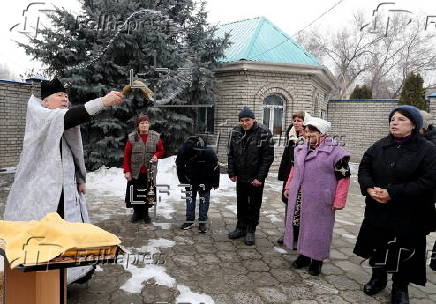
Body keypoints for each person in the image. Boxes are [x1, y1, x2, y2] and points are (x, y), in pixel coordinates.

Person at [4, 77, 124, 283]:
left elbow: (71, 152)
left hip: (65, 189)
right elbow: (71, 116)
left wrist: (80, 179)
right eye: (59, 95)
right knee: (44, 236)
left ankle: (68, 277)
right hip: (40, 192)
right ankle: (42, 282)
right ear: (45, 101)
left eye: (66, 96)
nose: (64, 99)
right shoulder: (41, 116)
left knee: (67, 230)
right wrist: (102, 102)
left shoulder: (58, 120)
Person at [354, 105, 436, 304]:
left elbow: (428, 181)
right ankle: (378, 278)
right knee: (378, 245)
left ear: (414, 125)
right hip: (379, 210)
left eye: (401, 119)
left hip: (409, 214)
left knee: (405, 250)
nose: (394, 122)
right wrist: (369, 188)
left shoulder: (428, 150)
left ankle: (400, 287)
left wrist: (393, 193)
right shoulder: (380, 145)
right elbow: (364, 167)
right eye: (392, 119)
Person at [283, 116, 351, 276]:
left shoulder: (336, 152)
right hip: (301, 196)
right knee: (302, 227)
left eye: (312, 131)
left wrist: (339, 200)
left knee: (319, 230)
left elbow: (344, 178)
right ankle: (304, 256)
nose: (307, 134)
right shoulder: (300, 148)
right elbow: (294, 169)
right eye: (306, 131)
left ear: (322, 133)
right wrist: (288, 186)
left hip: (322, 199)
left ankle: (317, 260)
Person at [227, 107, 274, 245]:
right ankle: (240, 227)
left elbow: (268, 157)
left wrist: (260, 177)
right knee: (241, 203)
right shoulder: (235, 132)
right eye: (242, 121)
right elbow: (231, 153)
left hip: (255, 177)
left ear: (253, 119)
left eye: (247, 120)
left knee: (253, 204)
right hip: (241, 176)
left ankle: (250, 230)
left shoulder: (264, 132)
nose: (244, 123)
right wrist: (232, 172)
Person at [123, 115, 165, 224]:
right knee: (136, 193)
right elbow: (127, 155)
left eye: (146, 122)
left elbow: (161, 150)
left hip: (149, 172)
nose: (144, 125)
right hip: (135, 172)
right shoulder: (132, 137)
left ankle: (145, 213)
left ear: (149, 124)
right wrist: (127, 171)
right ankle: (136, 213)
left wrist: (156, 155)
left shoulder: (155, 136)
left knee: (148, 193)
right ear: (138, 125)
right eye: (142, 123)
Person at [276, 111, 310, 244]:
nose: (296, 123)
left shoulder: (309, 137)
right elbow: (287, 156)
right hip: (289, 175)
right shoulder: (290, 134)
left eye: (299, 120)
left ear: (305, 122)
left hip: (303, 176)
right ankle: (288, 232)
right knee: (288, 202)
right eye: (294, 120)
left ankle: (300, 234)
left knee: (300, 205)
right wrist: (283, 175)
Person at [176, 136, 220, 233]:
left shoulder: (209, 152)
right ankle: (189, 220)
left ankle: (202, 221)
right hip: (190, 179)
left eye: (194, 156)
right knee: (190, 200)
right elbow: (179, 166)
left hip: (206, 179)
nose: (192, 158)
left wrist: (215, 182)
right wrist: (183, 180)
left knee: (204, 200)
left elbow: (216, 168)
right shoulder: (183, 151)